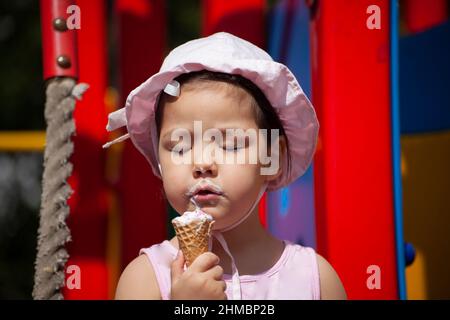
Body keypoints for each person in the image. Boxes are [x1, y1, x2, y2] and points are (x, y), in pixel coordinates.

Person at [106, 32, 346, 300]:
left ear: (272, 157)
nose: (202, 164)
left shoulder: (315, 279)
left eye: (230, 144)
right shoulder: (145, 278)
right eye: (180, 147)